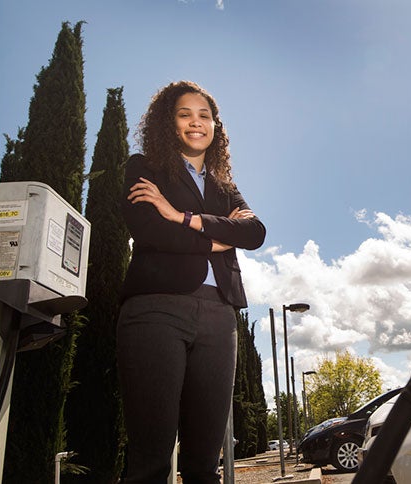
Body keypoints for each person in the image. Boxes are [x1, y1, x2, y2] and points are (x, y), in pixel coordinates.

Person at [117, 80, 266, 483]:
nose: (195, 123)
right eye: (185, 114)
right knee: (151, 458)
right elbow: (150, 232)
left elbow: (255, 234)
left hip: (219, 318)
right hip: (155, 311)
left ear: (216, 127)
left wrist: (182, 216)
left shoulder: (225, 187)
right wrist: (220, 239)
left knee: (204, 462)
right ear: (169, 122)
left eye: (204, 116)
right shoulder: (144, 168)